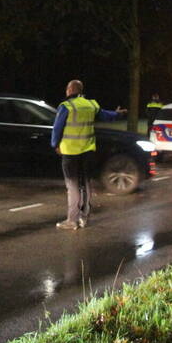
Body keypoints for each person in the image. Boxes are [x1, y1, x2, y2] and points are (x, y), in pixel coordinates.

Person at [50, 79, 126, 230]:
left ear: (70, 90)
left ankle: (71, 220)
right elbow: (106, 115)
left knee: (72, 186)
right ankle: (84, 218)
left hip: (70, 152)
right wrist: (117, 114)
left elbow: (57, 128)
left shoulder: (66, 106)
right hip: (87, 151)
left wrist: (55, 144)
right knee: (85, 184)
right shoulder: (91, 105)